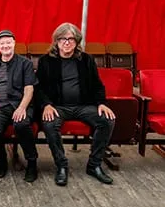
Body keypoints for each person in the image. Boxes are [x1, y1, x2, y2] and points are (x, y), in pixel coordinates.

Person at [36, 22, 115, 186]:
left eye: (71, 39)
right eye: (63, 39)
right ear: (56, 41)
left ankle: (94, 165)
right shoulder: (46, 61)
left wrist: (101, 103)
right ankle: (61, 166)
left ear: (77, 42)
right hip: (58, 107)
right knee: (50, 125)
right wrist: (46, 105)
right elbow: (39, 88)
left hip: (83, 106)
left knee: (107, 120)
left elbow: (97, 84)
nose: (67, 42)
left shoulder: (86, 60)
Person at [0, 30, 38, 182]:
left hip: (19, 103)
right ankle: (1, 161)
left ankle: (32, 162)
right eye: (2, 43)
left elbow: (29, 88)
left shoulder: (25, 63)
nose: (5, 45)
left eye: (8, 42)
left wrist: (22, 108)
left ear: (14, 43)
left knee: (22, 125)